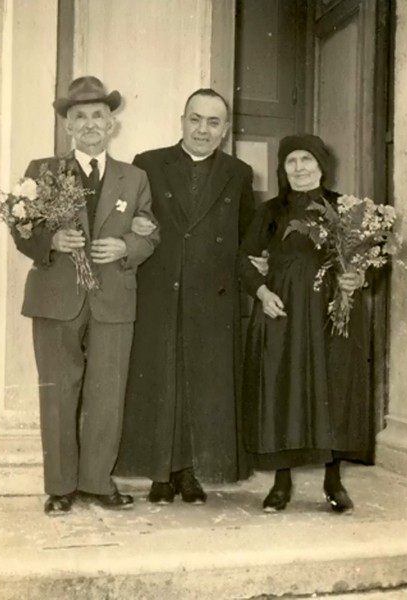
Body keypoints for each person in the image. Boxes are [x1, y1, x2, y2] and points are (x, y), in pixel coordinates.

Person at [11, 76, 159, 515]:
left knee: (107, 393)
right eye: (80, 117)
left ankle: (97, 481)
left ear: (111, 124)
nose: (91, 124)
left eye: (98, 116)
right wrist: (50, 241)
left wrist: (127, 247)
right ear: (68, 126)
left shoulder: (134, 178)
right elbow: (21, 226)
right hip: (56, 297)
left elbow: (150, 232)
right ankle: (59, 486)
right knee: (58, 392)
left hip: (113, 298)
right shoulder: (43, 170)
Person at [115, 88, 255, 504]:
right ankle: (162, 472)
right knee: (162, 380)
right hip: (160, 290)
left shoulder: (239, 172)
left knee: (202, 384)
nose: (203, 130)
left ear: (225, 130)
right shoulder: (149, 163)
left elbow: (246, 236)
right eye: (196, 119)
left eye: (214, 122)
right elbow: (131, 219)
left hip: (213, 295)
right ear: (182, 121)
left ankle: (190, 471)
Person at [239, 134, 372, 514]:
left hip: (332, 315)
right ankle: (281, 484)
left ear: (320, 166)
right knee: (282, 391)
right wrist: (262, 293)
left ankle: (334, 482)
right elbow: (244, 261)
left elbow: (366, 263)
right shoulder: (270, 213)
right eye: (291, 161)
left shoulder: (345, 209)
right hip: (282, 315)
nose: (299, 167)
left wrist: (357, 278)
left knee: (333, 389)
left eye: (306, 160)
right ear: (283, 168)